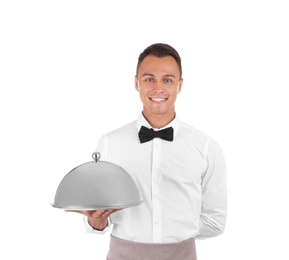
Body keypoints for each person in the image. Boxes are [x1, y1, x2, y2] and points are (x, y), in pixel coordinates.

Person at [67, 43, 227, 260]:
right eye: (149, 79)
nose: (158, 88)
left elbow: (215, 222)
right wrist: (95, 221)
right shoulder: (109, 143)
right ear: (136, 83)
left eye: (168, 80)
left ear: (179, 85)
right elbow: (97, 218)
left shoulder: (206, 147)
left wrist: (176, 233)